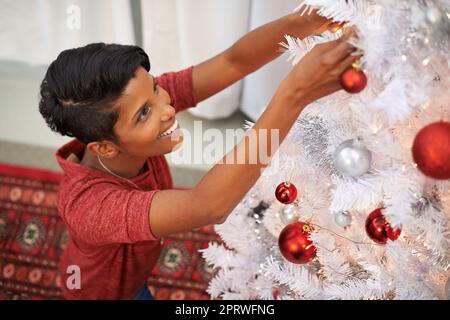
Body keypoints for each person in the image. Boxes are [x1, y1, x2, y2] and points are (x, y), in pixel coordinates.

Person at [38, 9, 359, 299]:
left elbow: (232, 62)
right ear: (105, 147)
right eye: (144, 114)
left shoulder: (131, 108)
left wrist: (300, 22)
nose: (166, 108)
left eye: (154, 86)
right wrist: (294, 94)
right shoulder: (91, 207)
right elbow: (207, 205)